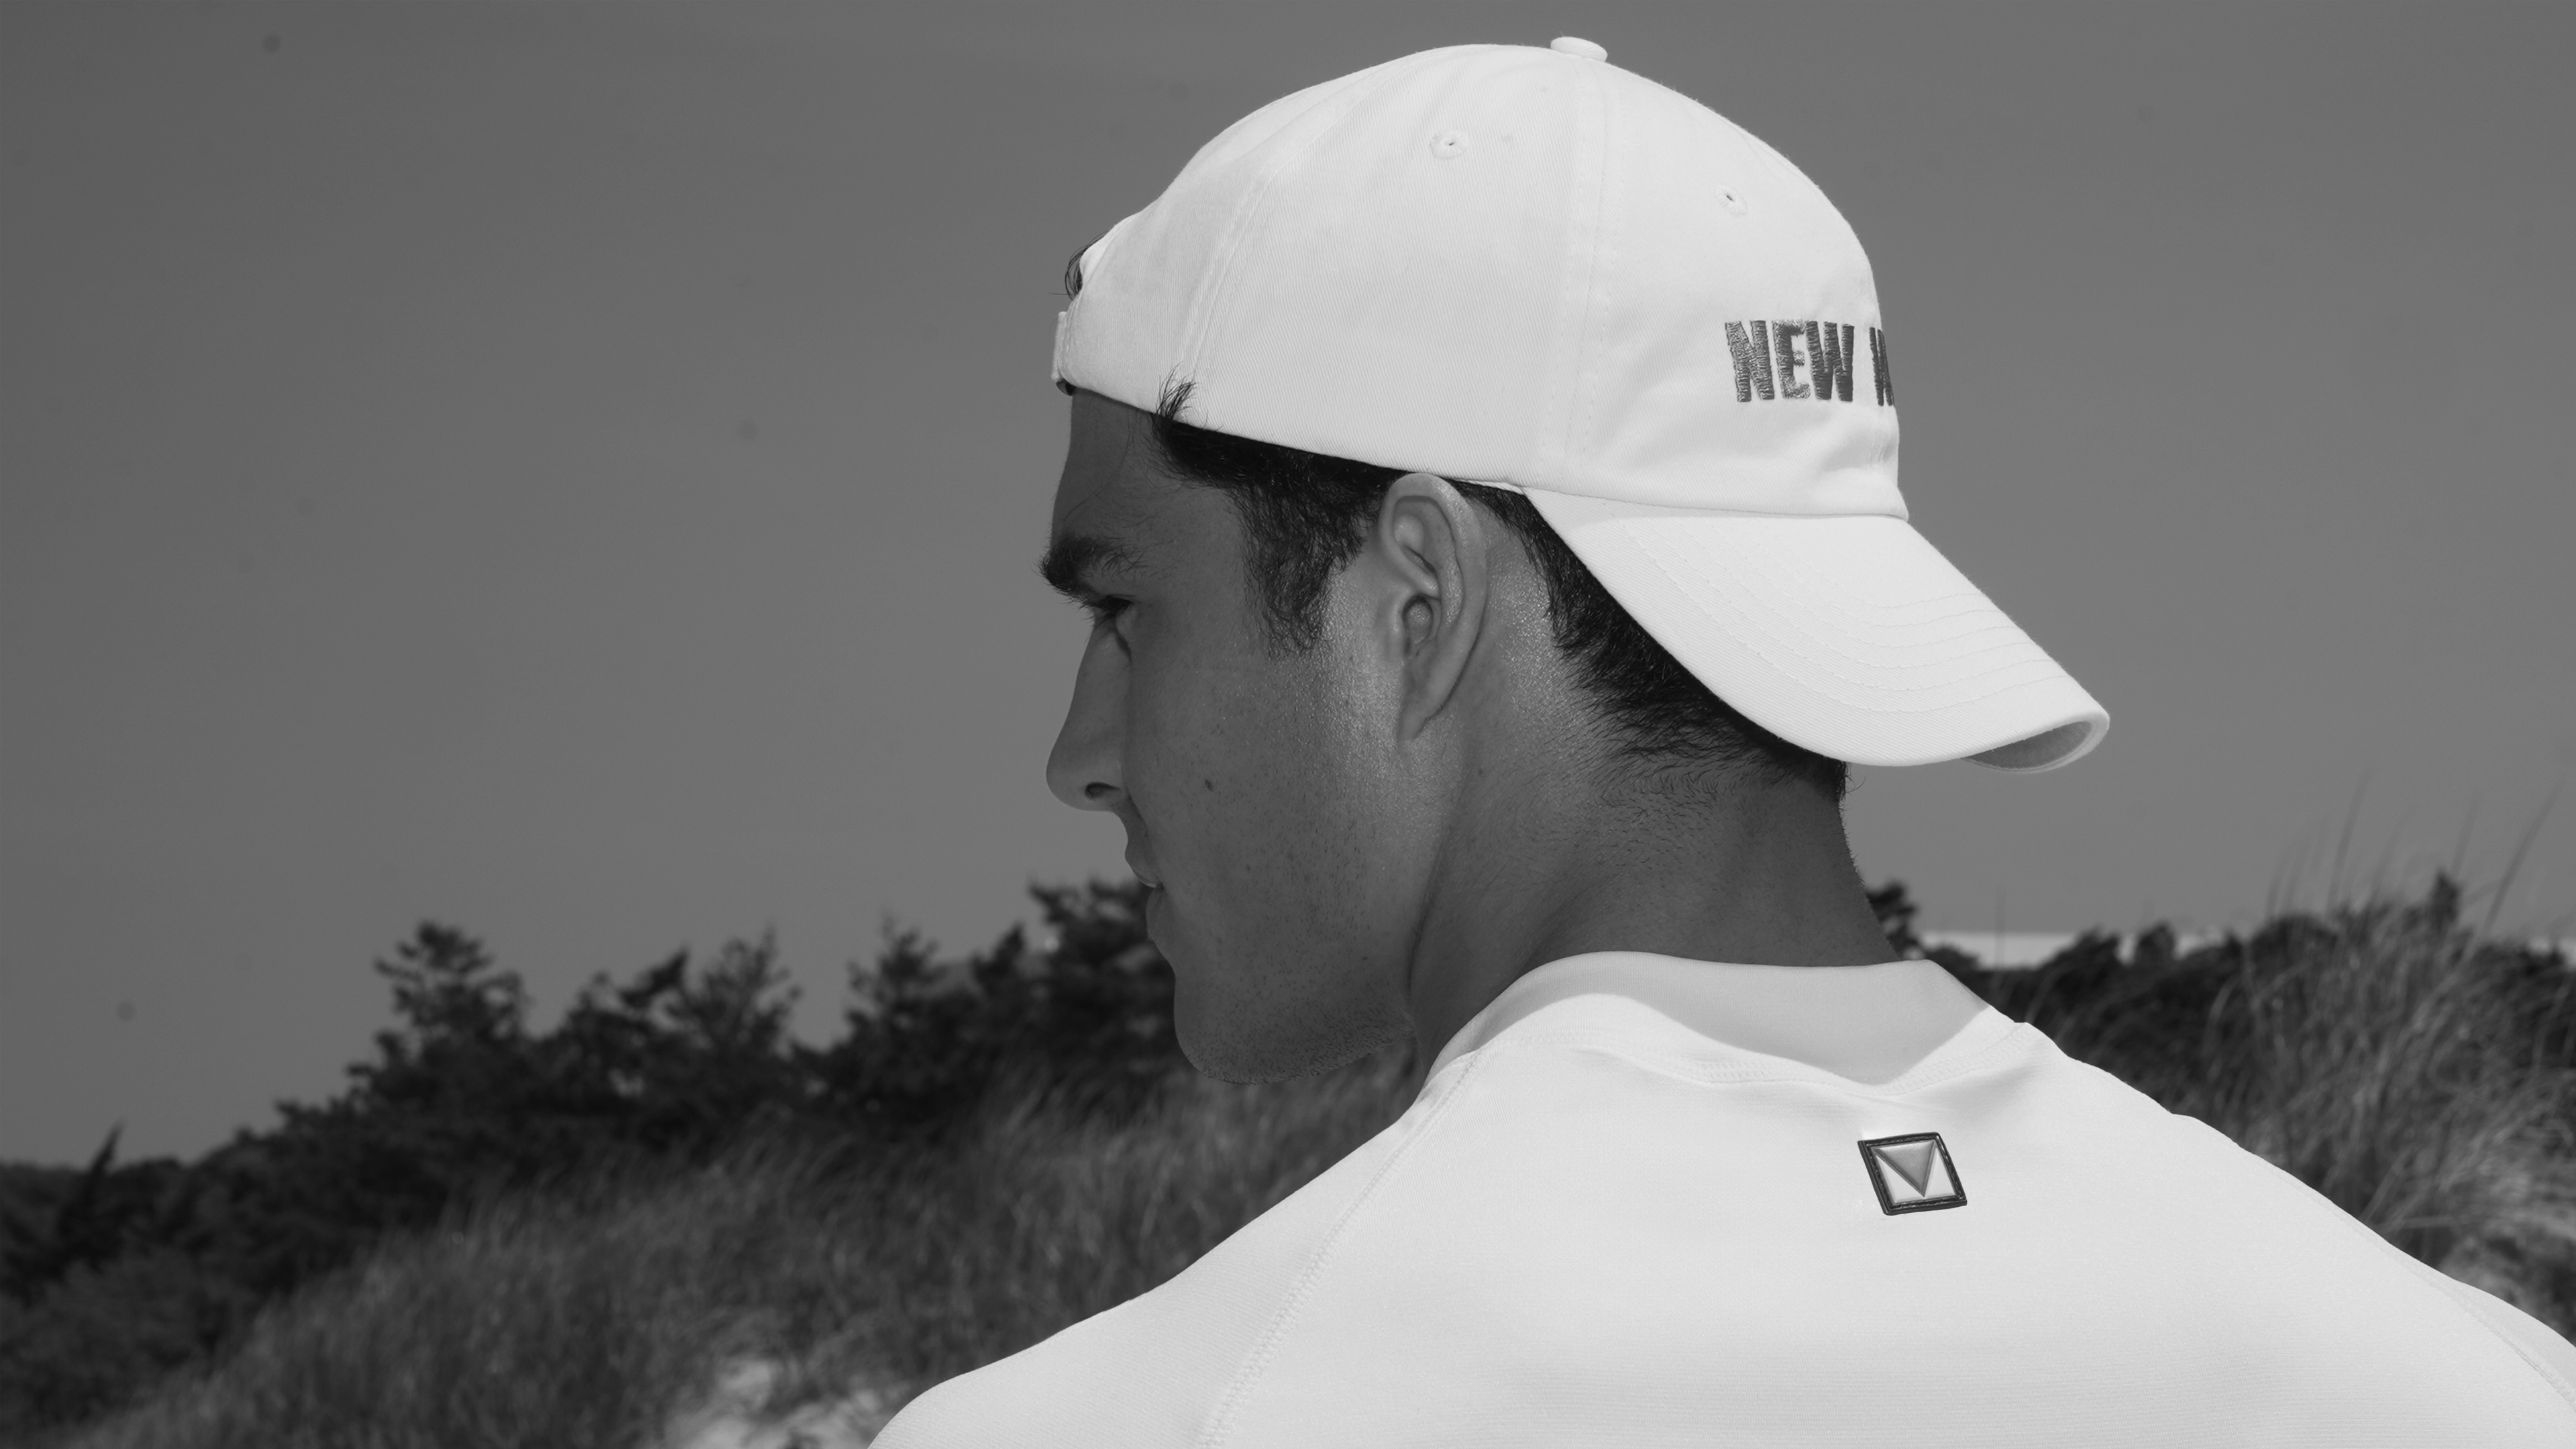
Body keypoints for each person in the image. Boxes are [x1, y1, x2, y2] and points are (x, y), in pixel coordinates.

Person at [874, 38, 2576, 1447]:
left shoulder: (1142, 1417)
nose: (1079, 754)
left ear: (1417, 599)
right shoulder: (2469, 1377)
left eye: (1124, 609)